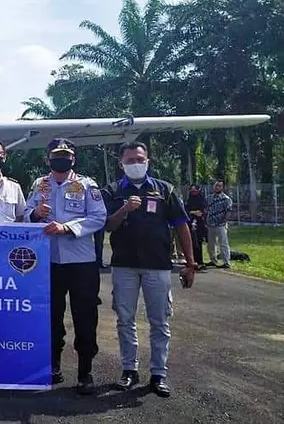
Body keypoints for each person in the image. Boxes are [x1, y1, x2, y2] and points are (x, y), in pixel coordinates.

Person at [101, 141, 196, 398]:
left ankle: (158, 374)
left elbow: (181, 225)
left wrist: (190, 263)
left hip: (158, 266)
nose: (135, 164)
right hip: (124, 265)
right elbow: (107, 226)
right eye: (129, 160)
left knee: (160, 321)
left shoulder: (165, 190)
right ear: (121, 164)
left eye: (139, 159)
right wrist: (125, 208)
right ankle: (129, 370)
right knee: (125, 320)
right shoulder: (112, 190)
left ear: (148, 161)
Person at [23, 138, 107, 394]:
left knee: (84, 316)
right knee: (51, 317)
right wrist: (34, 214)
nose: (61, 159)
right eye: (56, 155)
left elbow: (98, 217)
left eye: (66, 155)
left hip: (81, 261)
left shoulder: (86, 184)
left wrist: (68, 227)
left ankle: (85, 372)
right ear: (48, 159)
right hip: (48, 262)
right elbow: (26, 212)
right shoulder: (40, 184)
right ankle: (53, 367)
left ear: (73, 159)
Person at [205, 180, 233, 269]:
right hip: (210, 224)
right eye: (216, 185)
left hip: (221, 225)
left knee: (223, 244)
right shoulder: (209, 198)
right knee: (211, 244)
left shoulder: (226, 199)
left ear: (223, 187)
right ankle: (213, 260)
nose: (217, 187)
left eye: (219, 186)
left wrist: (224, 221)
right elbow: (206, 209)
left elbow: (229, 211)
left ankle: (226, 262)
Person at [185, 185, 208, 270]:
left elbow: (203, 211)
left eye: (195, 191)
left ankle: (200, 262)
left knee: (198, 243)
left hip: (200, 225)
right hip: (190, 224)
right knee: (191, 243)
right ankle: (192, 261)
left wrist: (197, 213)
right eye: (191, 191)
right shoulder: (189, 201)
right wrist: (193, 212)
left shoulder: (202, 200)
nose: (193, 192)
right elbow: (186, 211)